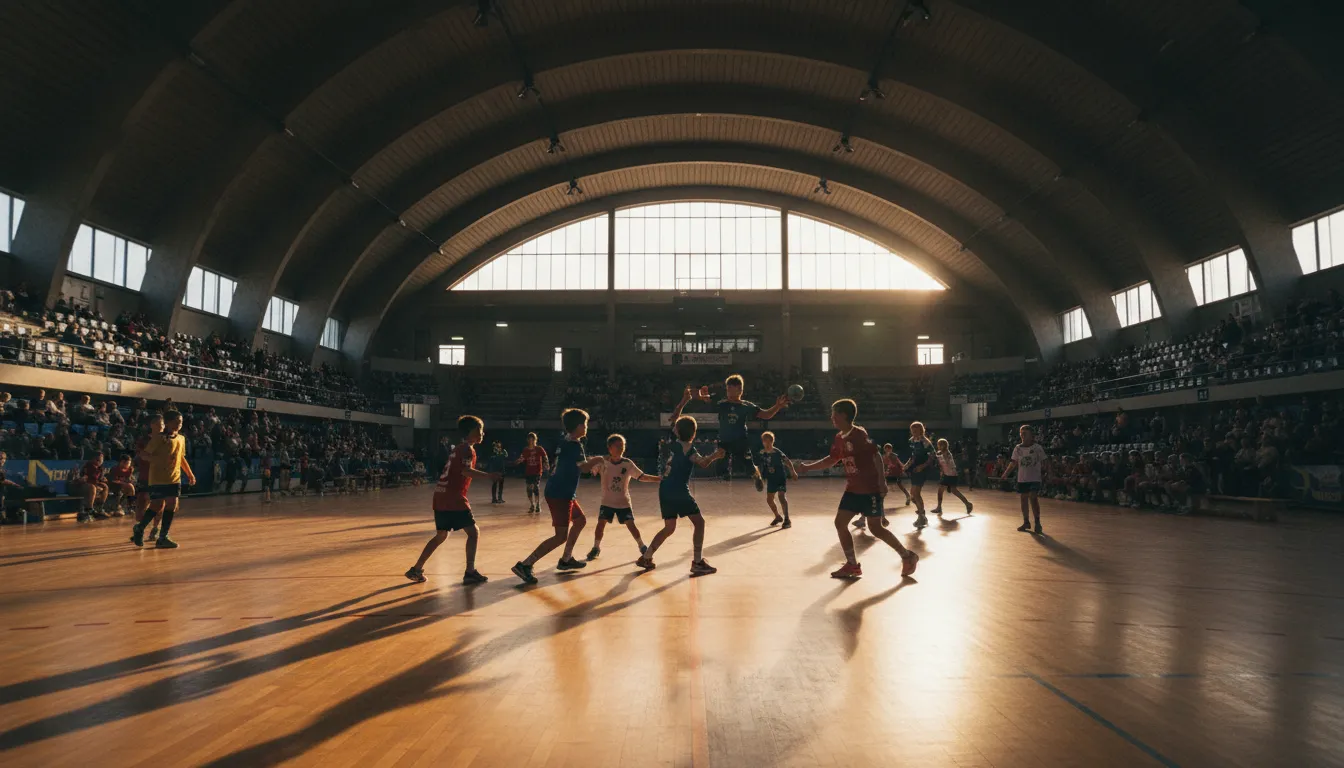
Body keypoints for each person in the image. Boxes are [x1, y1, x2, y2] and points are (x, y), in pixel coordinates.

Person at [799, 399, 918, 580]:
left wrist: (882, 482)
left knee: (876, 529)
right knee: (840, 523)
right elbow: (831, 459)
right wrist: (808, 468)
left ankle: (907, 556)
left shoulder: (859, 434)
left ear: (843, 415)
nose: (831, 417)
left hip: (869, 489)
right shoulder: (839, 438)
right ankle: (852, 565)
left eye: (834, 414)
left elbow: (876, 456)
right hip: (852, 489)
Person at [635, 393, 725, 575]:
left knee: (669, 527)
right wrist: (716, 455)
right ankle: (697, 562)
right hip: (678, 490)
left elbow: (675, 417)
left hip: (665, 488)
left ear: (677, 431)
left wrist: (684, 400)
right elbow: (703, 463)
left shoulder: (675, 444)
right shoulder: (688, 449)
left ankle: (646, 557)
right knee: (699, 523)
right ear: (694, 433)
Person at [405, 415, 497, 585]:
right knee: (473, 532)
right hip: (453, 497)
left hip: (440, 495)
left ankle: (416, 569)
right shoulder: (467, 449)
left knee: (441, 535)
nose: (482, 433)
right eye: (479, 430)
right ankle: (470, 571)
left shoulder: (458, 449)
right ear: (470, 431)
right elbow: (466, 471)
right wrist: (489, 476)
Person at [511, 408, 591, 584]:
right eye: (585, 424)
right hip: (560, 494)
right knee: (560, 536)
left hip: (561, 491)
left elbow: (577, 464)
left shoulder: (565, 441)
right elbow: (585, 467)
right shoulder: (575, 445)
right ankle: (525, 564)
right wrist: (600, 460)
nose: (586, 427)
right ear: (578, 426)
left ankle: (566, 559)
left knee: (580, 521)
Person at [685, 375, 790, 486]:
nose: (728, 391)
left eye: (731, 389)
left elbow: (766, 415)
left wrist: (778, 406)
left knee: (749, 466)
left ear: (740, 390)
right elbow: (705, 398)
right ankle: (712, 461)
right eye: (727, 389)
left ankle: (756, 475)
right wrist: (700, 395)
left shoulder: (746, 406)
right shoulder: (722, 404)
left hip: (740, 442)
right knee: (721, 459)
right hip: (724, 441)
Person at [584, 433, 658, 561]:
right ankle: (596, 547)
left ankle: (642, 546)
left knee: (631, 525)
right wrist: (588, 463)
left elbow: (642, 477)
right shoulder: (602, 462)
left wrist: (659, 479)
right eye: (617, 446)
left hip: (623, 502)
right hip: (607, 502)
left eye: (622, 445)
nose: (621, 448)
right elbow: (588, 471)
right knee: (600, 524)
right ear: (609, 448)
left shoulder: (627, 464)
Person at [131, 410, 197, 549]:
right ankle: (140, 527)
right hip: (158, 478)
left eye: (181, 422)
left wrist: (190, 474)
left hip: (174, 478)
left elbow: (181, 458)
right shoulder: (158, 438)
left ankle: (163, 537)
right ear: (167, 423)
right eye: (176, 422)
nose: (179, 424)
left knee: (172, 504)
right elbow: (144, 454)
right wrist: (157, 460)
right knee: (157, 505)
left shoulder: (181, 438)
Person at [1001, 424, 1048, 534]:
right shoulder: (1018, 448)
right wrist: (1006, 473)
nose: (1022, 436)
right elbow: (1013, 463)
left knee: (1033, 497)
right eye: (1021, 434)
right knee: (1023, 499)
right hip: (1022, 478)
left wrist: (1048, 473)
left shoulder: (1037, 448)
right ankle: (1026, 522)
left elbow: (1045, 461)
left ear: (1031, 436)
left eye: (1025, 434)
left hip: (1035, 478)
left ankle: (1037, 522)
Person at [755, 431, 797, 528]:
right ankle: (777, 516)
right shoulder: (761, 453)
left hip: (780, 477)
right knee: (769, 500)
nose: (767, 443)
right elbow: (758, 465)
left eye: (769, 441)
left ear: (772, 441)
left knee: (781, 496)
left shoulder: (777, 452)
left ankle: (787, 519)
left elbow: (787, 461)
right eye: (765, 441)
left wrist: (793, 471)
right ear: (763, 442)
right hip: (771, 479)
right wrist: (758, 476)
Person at [133, 415, 164, 539]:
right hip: (145, 477)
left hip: (160, 478)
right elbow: (142, 455)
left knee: (160, 504)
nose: (162, 427)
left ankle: (155, 529)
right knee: (142, 505)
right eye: (160, 424)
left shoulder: (166, 440)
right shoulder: (143, 440)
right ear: (152, 425)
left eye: (163, 424)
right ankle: (140, 529)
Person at [901, 421, 935, 529]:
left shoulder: (925, 441)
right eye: (913, 430)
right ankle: (922, 512)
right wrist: (906, 465)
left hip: (923, 469)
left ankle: (922, 517)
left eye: (916, 430)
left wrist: (922, 466)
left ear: (921, 430)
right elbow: (913, 456)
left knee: (916, 493)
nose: (914, 432)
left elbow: (932, 456)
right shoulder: (911, 441)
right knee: (913, 496)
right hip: (914, 469)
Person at [933, 438, 973, 515]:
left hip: (952, 474)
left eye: (940, 444)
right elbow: (941, 463)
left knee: (954, 491)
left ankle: (968, 504)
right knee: (941, 491)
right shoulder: (939, 453)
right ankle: (939, 507)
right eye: (938, 444)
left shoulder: (947, 453)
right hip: (946, 474)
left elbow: (945, 459)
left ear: (944, 445)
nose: (939, 446)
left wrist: (937, 455)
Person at [514, 432, 549, 514]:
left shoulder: (539, 449)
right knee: (529, 489)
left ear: (535, 440)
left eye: (533, 440)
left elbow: (545, 457)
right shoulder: (526, 450)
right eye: (530, 440)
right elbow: (522, 458)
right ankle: (532, 505)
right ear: (528, 440)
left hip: (537, 471)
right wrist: (517, 461)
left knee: (535, 487)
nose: (531, 441)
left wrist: (546, 464)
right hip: (529, 471)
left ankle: (537, 505)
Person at [70, 451, 110, 522]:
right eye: (97, 460)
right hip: (79, 486)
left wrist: (103, 480)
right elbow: (83, 479)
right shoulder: (87, 466)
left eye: (101, 460)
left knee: (105, 486)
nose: (99, 462)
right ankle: (89, 509)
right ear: (93, 459)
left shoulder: (101, 468)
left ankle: (99, 508)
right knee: (92, 487)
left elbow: (99, 479)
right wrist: (97, 485)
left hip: (92, 485)